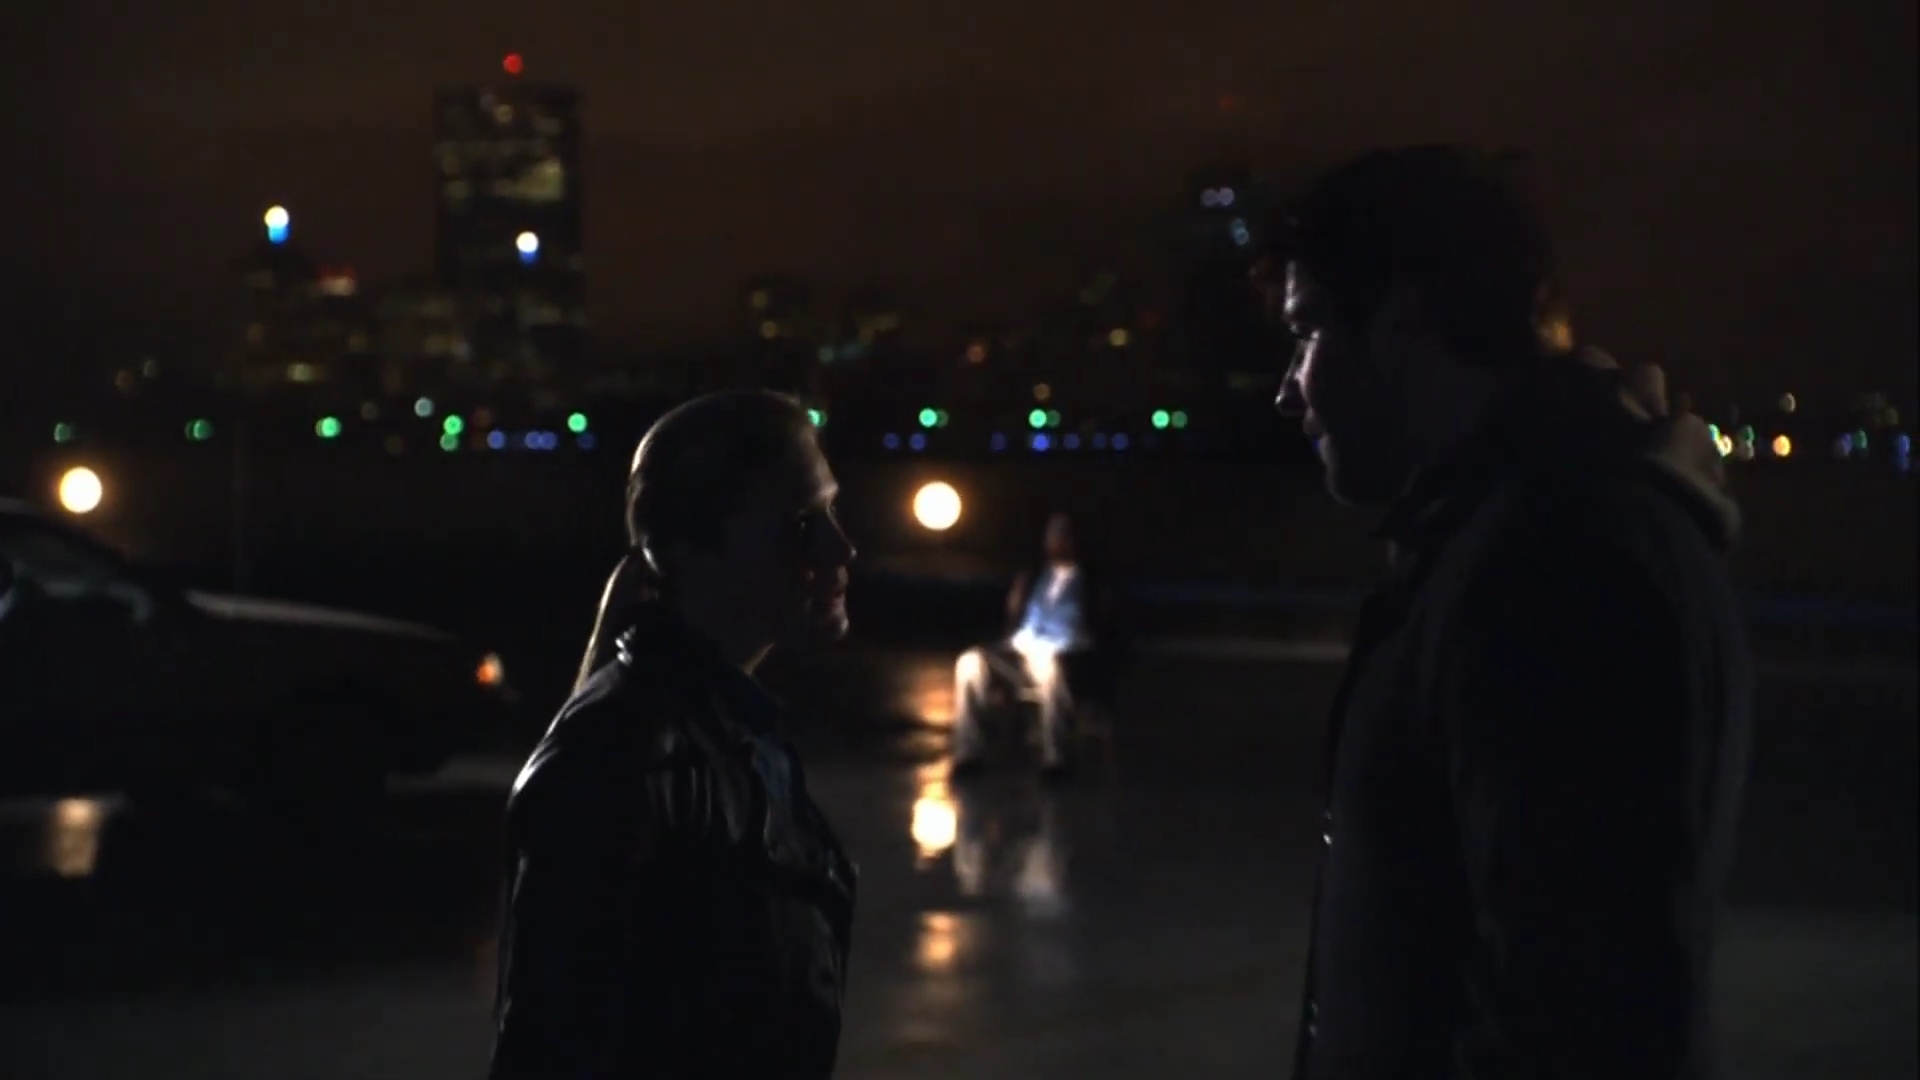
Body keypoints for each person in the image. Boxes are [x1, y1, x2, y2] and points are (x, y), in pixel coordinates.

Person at [1269, 146, 1752, 1079]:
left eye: (1309, 331)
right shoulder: (1510, 540)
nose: (1290, 387)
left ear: (1405, 317)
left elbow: (1579, 1015)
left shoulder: (1563, 566)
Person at [489, 390, 860, 1079]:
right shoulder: (621, 762)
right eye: (802, 523)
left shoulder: (732, 731)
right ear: (690, 551)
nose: (842, 547)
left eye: (833, 513)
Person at [950, 512, 1122, 779]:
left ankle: (1055, 758)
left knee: (1050, 665)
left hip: (1065, 652)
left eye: (1064, 534)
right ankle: (968, 754)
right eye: (1053, 535)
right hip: (1021, 651)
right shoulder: (1032, 578)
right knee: (970, 660)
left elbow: (1105, 631)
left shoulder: (1093, 582)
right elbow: (1012, 623)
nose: (1057, 541)